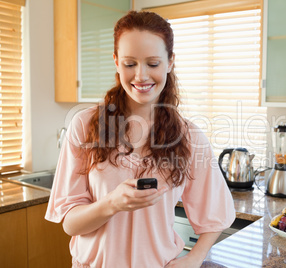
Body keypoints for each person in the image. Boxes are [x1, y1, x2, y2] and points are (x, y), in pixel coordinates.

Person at [45, 10, 236, 268]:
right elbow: (70, 223)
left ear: (170, 62)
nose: (141, 76)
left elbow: (216, 214)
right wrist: (111, 203)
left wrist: (194, 258)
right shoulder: (85, 126)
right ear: (116, 62)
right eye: (130, 63)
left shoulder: (189, 137)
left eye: (153, 63)